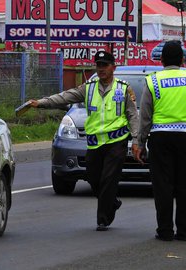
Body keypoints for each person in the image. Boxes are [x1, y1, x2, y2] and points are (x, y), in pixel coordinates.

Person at [28, 51, 139, 231]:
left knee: (109, 179)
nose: (101, 69)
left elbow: (133, 115)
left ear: (113, 67)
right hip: (94, 143)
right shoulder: (89, 88)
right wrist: (40, 103)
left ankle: (103, 219)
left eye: (105, 65)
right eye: (98, 65)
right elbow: (65, 97)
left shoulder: (123, 88)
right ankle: (112, 202)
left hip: (116, 142)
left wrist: (135, 140)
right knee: (94, 178)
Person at [135, 41, 186, 241]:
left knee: (163, 185)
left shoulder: (153, 81)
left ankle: (165, 230)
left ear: (162, 60)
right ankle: (185, 232)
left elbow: (146, 116)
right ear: (184, 61)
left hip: (160, 137)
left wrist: (141, 143)